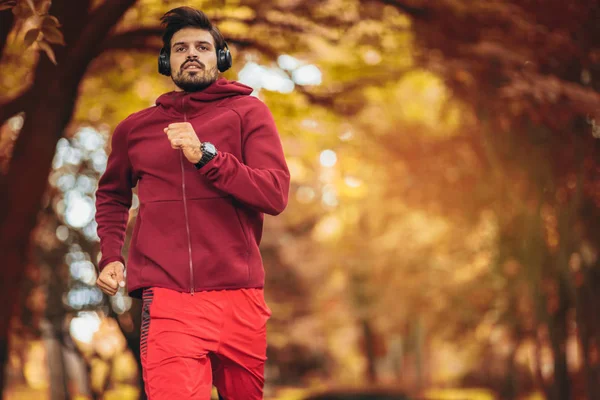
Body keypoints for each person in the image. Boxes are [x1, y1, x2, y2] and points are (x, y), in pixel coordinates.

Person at [94, 6, 290, 399]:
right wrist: (111, 254)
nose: (192, 54)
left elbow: (274, 193)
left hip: (240, 295)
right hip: (168, 298)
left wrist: (207, 157)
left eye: (203, 46)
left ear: (220, 58)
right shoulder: (135, 129)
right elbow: (112, 194)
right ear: (167, 61)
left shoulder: (249, 113)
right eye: (181, 48)